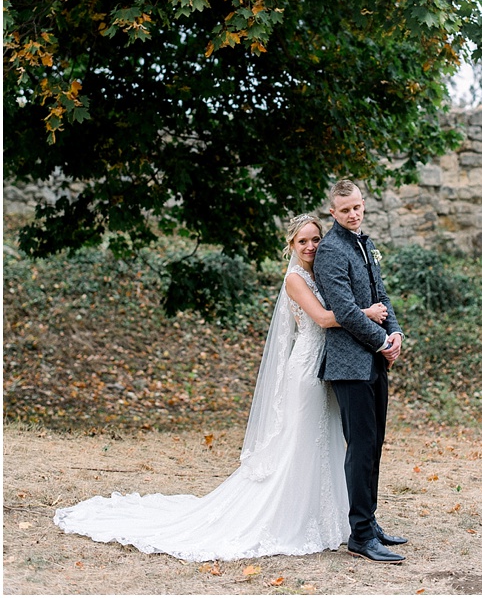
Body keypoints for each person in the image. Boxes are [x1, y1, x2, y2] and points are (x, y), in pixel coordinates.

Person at [54, 213, 390, 562]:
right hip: (306, 367)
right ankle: (289, 516)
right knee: (301, 441)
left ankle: (333, 517)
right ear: (290, 245)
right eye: (302, 241)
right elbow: (321, 318)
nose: (310, 246)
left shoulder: (321, 271)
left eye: (315, 239)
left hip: (329, 364)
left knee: (328, 441)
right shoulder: (294, 279)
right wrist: (364, 313)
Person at [313, 179, 407, 564]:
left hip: (373, 360)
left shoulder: (364, 244)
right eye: (346, 209)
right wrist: (381, 342)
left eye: (358, 207)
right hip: (348, 365)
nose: (354, 214)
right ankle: (361, 535)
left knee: (374, 444)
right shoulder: (331, 251)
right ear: (332, 213)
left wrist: (396, 331)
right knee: (361, 446)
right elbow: (347, 312)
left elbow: (380, 295)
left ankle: (370, 521)